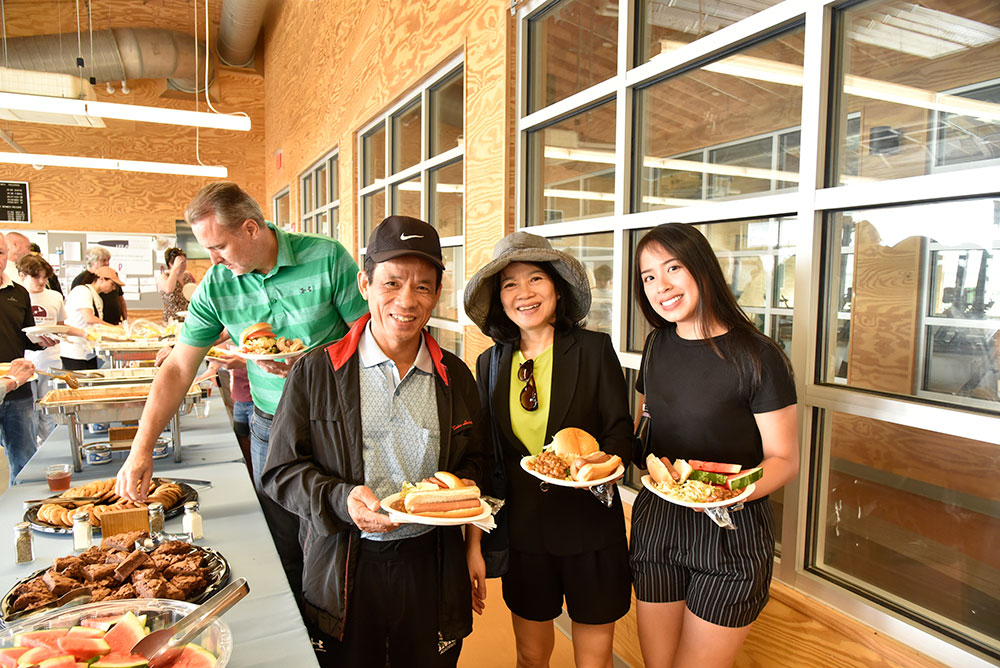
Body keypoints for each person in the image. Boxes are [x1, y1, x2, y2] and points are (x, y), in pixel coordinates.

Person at [115, 181, 368, 606]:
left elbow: (369, 338)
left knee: (333, 538)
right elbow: (178, 367)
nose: (212, 260)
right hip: (269, 424)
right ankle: (300, 630)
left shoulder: (326, 258)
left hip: (334, 423)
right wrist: (141, 449)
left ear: (251, 229)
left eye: (218, 247)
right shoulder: (218, 285)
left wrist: (314, 366)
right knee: (280, 539)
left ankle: (336, 632)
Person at [262, 216, 484, 667]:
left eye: (423, 286)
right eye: (392, 282)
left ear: (437, 294)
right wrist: (342, 500)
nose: (406, 300)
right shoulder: (316, 372)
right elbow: (281, 471)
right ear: (365, 283)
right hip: (344, 562)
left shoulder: (455, 376)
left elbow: (477, 464)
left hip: (432, 565)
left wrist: (474, 541)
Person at [628, 223, 799, 667]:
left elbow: (784, 459)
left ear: (702, 269)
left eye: (673, 268)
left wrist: (735, 488)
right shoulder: (656, 345)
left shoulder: (758, 355)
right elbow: (646, 426)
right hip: (659, 524)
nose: (660, 286)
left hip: (729, 531)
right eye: (648, 277)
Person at [463, 231, 633, 668]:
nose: (524, 293)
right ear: (500, 300)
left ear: (556, 288)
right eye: (509, 284)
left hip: (591, 529)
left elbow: (620, 436)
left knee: (593, 661)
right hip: (524, 535)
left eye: (535, 278)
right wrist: (474, 543)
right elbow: (484, 457)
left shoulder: (594, 351)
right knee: (530, 657)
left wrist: (591, 468)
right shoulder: (491, 363)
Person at [0, 235, 55, 483]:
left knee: (24, 458)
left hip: (19, 388)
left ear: (8, 255)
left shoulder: (18, 293)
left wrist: (40, 341)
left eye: (0, 252)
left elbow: (25, 335)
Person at [17, 255, 84, 442]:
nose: (41, 281)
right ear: (22, 276)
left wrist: (84, 334)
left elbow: (61, 326)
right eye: (36, 277)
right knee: (28, 412)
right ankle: (32, 449)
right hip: (24, 362)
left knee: (50, 410)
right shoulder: (16, 297)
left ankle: (46, 446)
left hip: (52, 360)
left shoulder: (55, 296)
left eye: (45, 277)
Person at [60, 267, 126, 371]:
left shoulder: (97, 297)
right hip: (75, 350)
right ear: (101, 279)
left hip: (88, 350)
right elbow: (89, 318)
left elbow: (95, 326)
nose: (113, 289)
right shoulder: (82, 291)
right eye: (112, 284)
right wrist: (115, 328)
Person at [72, 246, 127, 325]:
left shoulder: (111, 275)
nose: (107, 263)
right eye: (104, 260)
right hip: (95, 326)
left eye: (108, 260)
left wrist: (125, 320)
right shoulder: (81, 283)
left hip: (112, 324)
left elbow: (121, 299)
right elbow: (88, 317)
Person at [157, 247, 196, 322]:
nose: (184, 265)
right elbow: (169, 289)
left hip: (188, 318)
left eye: (185, 262)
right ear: (171, 264)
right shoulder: (163, 276)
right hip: (172, 320)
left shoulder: (188, 276)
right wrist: (174, 269)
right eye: (181, 263)